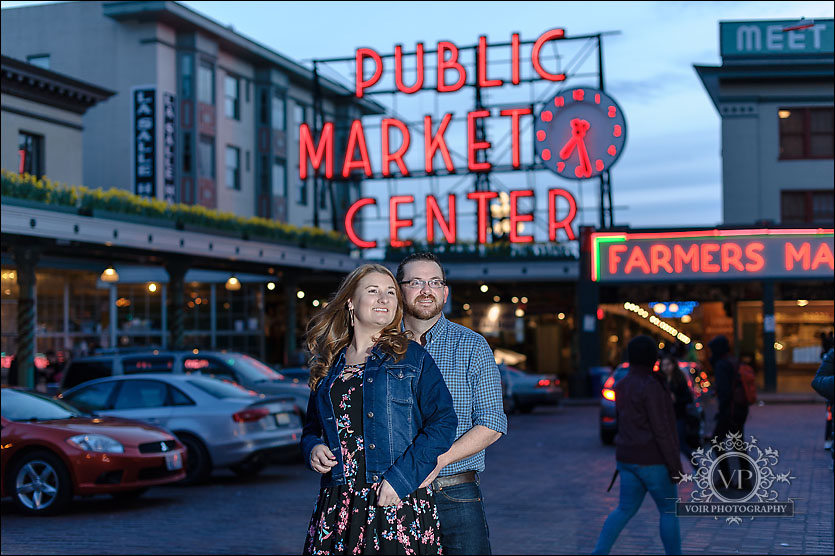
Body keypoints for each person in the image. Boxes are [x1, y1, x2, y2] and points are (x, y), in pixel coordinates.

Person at [300, 263, 458, 555]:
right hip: (338, 503)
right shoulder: (329, 363)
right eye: (373, 291)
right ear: (351, 301)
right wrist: (313, 448)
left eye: (390, 292)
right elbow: (311, 428)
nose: (384, 299)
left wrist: (402, 479)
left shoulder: (411, 356)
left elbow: (444, 422)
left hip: (394, 497)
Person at [396, 252, 507, 555]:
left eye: (435, 282)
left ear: (445, 292)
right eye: (416, 282)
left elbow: (492, 423)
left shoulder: (472, 346)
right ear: (398, 289)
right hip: (392, 490)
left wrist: (439, 460)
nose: (426, 290)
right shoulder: (380, 346)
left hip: (455, 492)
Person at [592, 335, 683, 555]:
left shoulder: (622, 384)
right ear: (653, 357)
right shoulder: (653, 385)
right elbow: (662, 429)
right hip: (653, 459)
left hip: (627, 458)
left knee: (624, 509)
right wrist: (675, 466)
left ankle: (599, 552)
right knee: (669, 511)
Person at [708, 334, 753, 489]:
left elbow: (725, 392)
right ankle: (744, 480)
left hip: (730, 411)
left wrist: (722, 412)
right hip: (740, 409)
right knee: (738, 443)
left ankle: (726, 477)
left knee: (716, 441)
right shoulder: (734, 361)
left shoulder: (721, 365)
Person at [660, 354, 695, 462]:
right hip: (665, 417)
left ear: (673, 365)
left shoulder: (679, 379)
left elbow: (689, 398)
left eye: (668, 364)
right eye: (663, 365)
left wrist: (676, 399)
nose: (666, 368)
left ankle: (696, 467)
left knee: (681, 444)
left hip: (679, 416)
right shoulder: (661, 380)